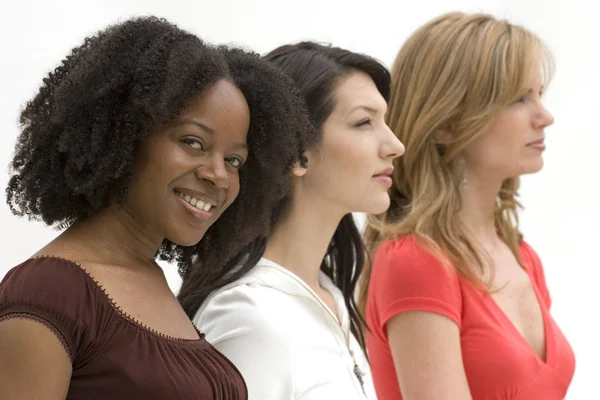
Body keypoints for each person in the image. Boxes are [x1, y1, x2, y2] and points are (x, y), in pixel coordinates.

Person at [0, 16, 314, 400]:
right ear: (125, 134)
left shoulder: (151, 281)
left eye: (234, 161)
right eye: (193, 142)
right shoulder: (49, 292)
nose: (219, 175)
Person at [359, 12, 575, 400]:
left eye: (540, 95)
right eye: (519, 99)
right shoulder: (415, 260)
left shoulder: (523, 257)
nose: (545, 117)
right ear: (447, 124)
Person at [178, 41, 405, 400]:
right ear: (296, 153)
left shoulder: (330, 297)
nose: (395, 144)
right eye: (364, 122)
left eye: (385, 122)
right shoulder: (250, 318)